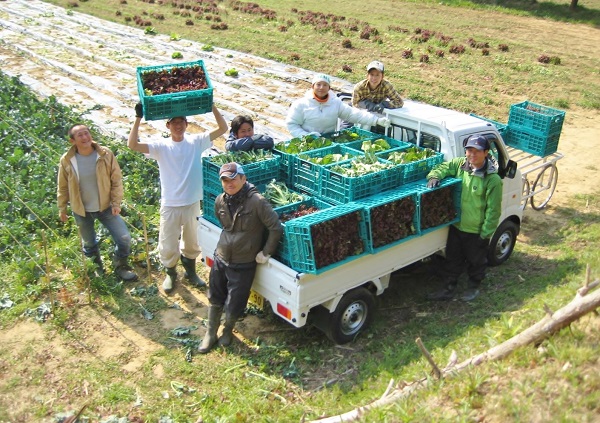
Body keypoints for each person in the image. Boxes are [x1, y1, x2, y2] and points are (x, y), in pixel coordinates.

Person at [128, 103, 228, 293]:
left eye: (181, 121)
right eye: (174, 122)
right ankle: (171, 274)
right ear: (168, 126)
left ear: (186, 123)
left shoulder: (196, 142)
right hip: (171, 203)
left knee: (192, 240)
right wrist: (138, 118)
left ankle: (190, 271)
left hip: (191, 202)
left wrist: (212, 105)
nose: (178, 126)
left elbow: (223, 128)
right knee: (167, 242)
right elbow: (132, 145)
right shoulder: (161, 147)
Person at [198, 162, 283, 353]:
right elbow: (224, 224)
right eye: (225, 180)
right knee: (215, 295)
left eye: (233, 179)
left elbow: (275, 228)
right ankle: (210, 333)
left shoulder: (257, 202)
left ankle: (228, 329)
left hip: (243, 262)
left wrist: (265, 252)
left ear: (243, 179)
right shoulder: (220, 200)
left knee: (235, 301)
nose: (230, 183)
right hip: (221, 256)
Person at [425, 134, 503, 302]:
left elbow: (493, 210)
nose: (472, 155)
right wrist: (434, 176)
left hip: (476, 231)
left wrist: (485, 233)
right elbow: (443, 167)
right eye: (469, 151)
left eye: (477, 152)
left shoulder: (493, 180)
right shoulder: (460, 165)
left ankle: (473, 287)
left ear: (486, 153)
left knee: (476, 261)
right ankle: (448, 288)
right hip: (457, 226)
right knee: (453, 259)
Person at [57, 123, 138, 281]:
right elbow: (62, 186)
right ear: (72, 141)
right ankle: (96, 267)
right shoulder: (67, 160)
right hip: (81, 209)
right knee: (89, 242)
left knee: (124, 238)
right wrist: (62, 208)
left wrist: (116, 203)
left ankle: (120, 264)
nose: (85, 137)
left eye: (86, 133)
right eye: (80, 135)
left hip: (106, 206)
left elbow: (116, 180)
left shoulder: (105, 154)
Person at [285, 74, 390, 138]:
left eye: (325, 85)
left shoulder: (335, 103)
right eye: (318, 84)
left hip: (327, 143)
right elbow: (292, 125)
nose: (321, 88)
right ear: (313, 86)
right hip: (304, 145)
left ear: (329, 88)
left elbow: (353, 114)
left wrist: (376, 120)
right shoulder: (301, 104)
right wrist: (307, 137)